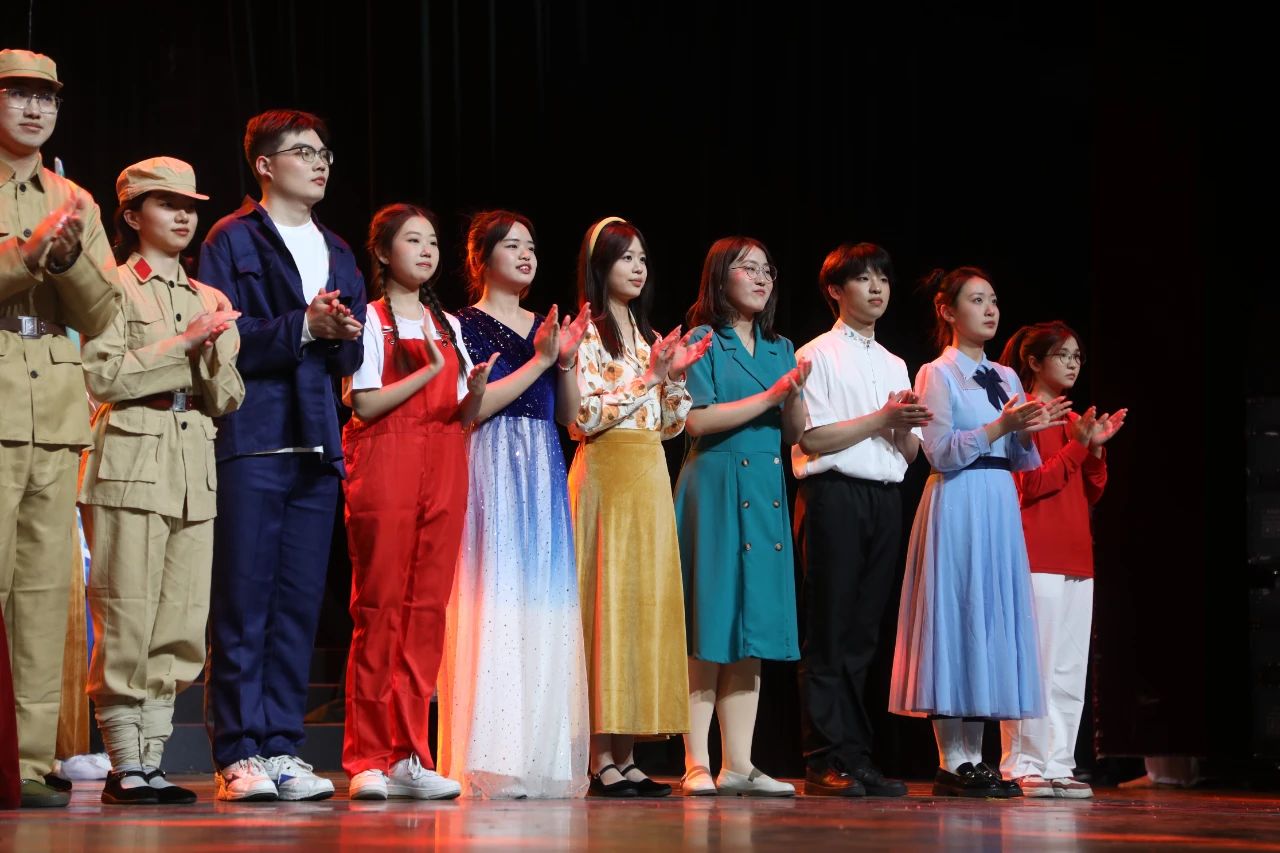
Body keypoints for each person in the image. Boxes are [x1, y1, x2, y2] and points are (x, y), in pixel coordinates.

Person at [198, 109, 366, 802]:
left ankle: (281, 746)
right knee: (244, 600)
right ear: (265, 165)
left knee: (297, 603)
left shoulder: (340, 249)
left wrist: (342, 332)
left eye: (324, 152)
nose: (319, 162)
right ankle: (238, 752)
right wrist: (304, 325)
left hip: (318, 442)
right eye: (303, 151)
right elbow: (222, 336)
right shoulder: (231, 237)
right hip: (253, 435)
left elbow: (351, 355)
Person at [80, 156, 244, 805]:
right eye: (166, 203)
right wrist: (183, 344)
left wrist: (212, 349)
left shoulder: (208, 297)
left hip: (191, 461)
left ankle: (152, 759)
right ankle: (125, 762)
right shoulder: (111, 286)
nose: (182, 216)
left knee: (181, 618)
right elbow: (103, 376)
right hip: (129, 456)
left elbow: (228, 396)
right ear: (131, 214)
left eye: (189, 206)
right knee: (126, 610)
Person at [888, 266, 1069, 798]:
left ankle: (976, 758)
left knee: (987, 620)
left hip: (997, 503)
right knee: (956, 616)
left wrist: (1028, 431)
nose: (990, 310)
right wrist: (1001, 426)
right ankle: (952, 760)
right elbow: (941, 452)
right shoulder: (936, 373)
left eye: (993, 300)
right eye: (977, 300)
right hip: (958, 500)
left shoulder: (1007, 377)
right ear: (948, 311)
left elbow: (1021, 460)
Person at [0, 47, 120, 808]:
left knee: (44, 597)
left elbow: (104, 312)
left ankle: (30, 760)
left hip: (54, 415)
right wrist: (27, 252)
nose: (34, 108)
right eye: (18, 94)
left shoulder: (75, 198)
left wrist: (70, 258)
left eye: (46, 97)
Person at [439, 209, 591, 799]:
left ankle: (540, 756)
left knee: (541, 607)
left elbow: (568, 415)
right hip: (493, 461)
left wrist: (566, 361)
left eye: (531, 246)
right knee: (495, 599)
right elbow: (473, 408)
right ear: (480, 258)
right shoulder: (460, 324)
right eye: (512, 245)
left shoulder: (545, 326)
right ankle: (492, 758)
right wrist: (542, 361)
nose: (526, 255)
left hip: (543, 465)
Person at [567, 216, 710, 797]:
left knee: (641, 609)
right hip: (607, 472)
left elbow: (671, 425)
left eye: (643, 258)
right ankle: (598, 755)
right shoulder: (586, 332)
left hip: (650, 473)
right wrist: (648, 378)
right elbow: (583, 418)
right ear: (600, 264)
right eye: (625, 257)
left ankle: (626, 755)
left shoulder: (649, 335)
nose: (638, 267)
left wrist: (672, 378)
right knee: (605, 607)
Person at [673, 236, 807, 798]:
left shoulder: (781, 347)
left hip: (765, 487)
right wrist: (771, 396)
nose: (760, 278)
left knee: (753, 627)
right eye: (747, 268)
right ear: (719, 277)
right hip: (715, 486)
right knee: (710, 622)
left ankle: (740, 764)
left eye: (767, 270)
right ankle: (696, 762)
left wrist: (794, 395)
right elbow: (696, 422)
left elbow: (794, 433)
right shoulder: (702, 340)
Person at [790, 243, 926, 798]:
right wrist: (882, 418)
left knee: (865, 634)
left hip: (885, 498)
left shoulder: (895, 362)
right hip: (833, 496)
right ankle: (823, 756)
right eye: (863, 279)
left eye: (883, 280)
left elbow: (910, 453)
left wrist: (901, 423)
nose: (876, 289)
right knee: (830, 630)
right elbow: (812, 439)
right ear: (834, 290)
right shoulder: (815, 354)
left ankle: (856, 755)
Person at [997, 321, 1125, 798]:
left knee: (1070, 669)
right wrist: (1077, 447)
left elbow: (1092, 491)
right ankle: (1023, 763)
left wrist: (1095, 450)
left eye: (1077, 357)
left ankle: (1058, 763)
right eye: (1063, 355)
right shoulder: (1025, 415)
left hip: (1076, 556)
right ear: (1034, 362)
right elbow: (1030, 485)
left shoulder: (1074, 421)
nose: (1073, 364)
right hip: (1037, 554)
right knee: (1036, 666)